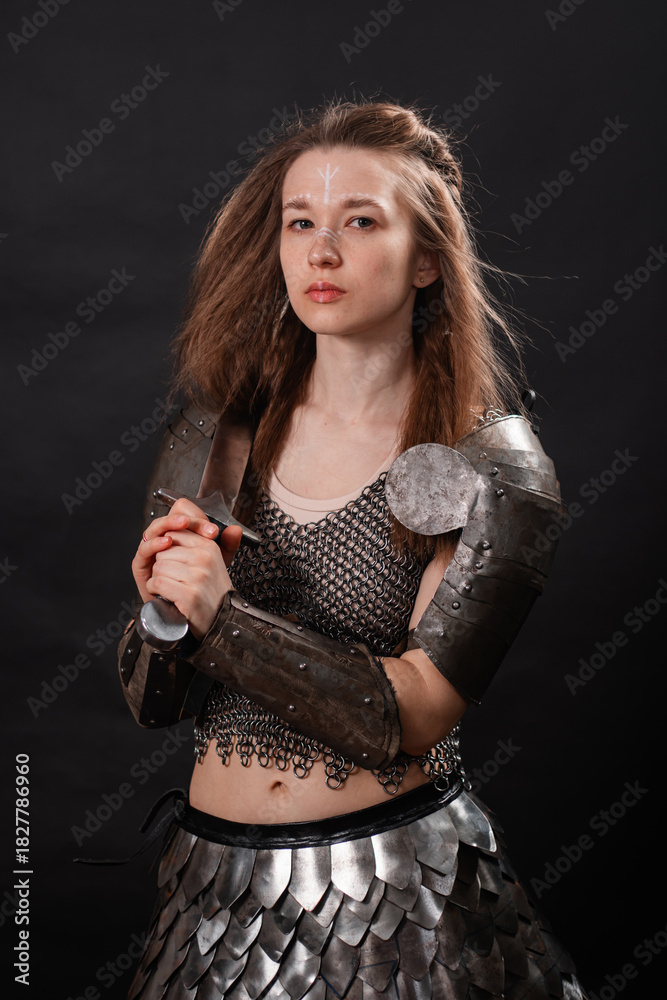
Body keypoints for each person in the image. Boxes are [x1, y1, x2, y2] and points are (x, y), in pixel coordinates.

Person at [117, 101, 588, 999]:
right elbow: (153, 700)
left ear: (425, 259)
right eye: (300, 223)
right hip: (209, 900)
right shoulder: (220, 433)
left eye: (359, 222)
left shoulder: (492, 467)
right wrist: (163, 610)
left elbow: (411, 715)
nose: (319, 252)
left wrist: (221, 615)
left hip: (389, 902)